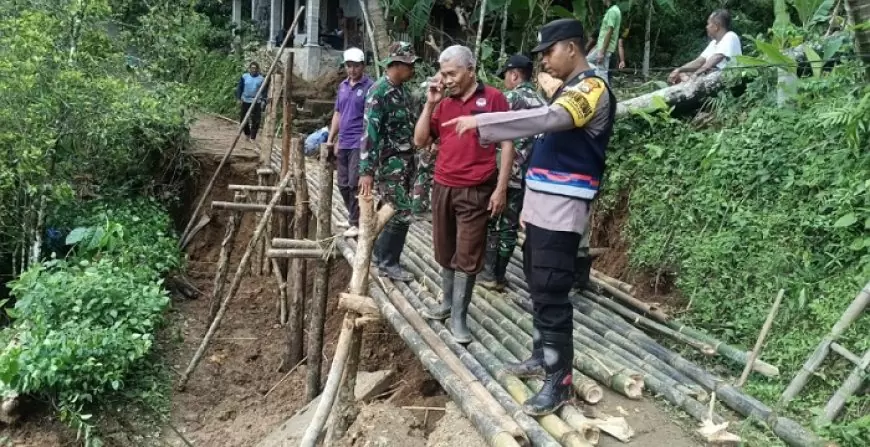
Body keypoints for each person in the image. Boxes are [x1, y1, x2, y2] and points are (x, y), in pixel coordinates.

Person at [439, 18, 617, 415]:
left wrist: (483, 121)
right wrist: (529, 203)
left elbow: (551, 120)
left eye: (549, 53)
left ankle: (561, 381)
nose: (545, 63)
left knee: (553, 289)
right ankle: (542, 357)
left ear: (571, 48)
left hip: (564, 206)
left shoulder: (592, 88)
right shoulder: (568, 88)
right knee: (537, 282)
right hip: (541, 203)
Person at [414, 45, 514, 344]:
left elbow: (507, 144)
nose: (447, 80)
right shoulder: (443, 104)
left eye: (452, 73)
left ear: (471, 69)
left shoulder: (494, 98)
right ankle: (446, 303)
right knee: (445, 250)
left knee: (468, 254)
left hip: (477, 188)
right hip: (443, 185)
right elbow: (420, 140)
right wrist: (430, 103)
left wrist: (501, 188)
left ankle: (459, 317)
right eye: (443, 74)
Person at [479, 55, 547, 292]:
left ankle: (488, 273)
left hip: (504, 173)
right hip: (528, 176)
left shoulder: (510, 98)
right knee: (509, 226)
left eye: (506, 76)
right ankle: (500, 275)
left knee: (491, 221)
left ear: (515, 75)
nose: (505, 81)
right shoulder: (542, 101)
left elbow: (489, 130)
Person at [358, 42, 420, 281]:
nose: (412, 70)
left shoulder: (402, 91)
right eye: (409, 65)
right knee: (401, 210)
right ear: (396, 65)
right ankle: (388, 262)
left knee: (391, 208)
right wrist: (366, 170)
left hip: (405, 161)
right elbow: (369, 133)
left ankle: (380, 254)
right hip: (389, 162)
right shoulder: (379, 92)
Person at [328, 48, 373, 237]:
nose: (352, 70)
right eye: (349, 66)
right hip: (344, 141)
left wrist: (368, 143)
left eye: (356, 66)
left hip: (359, 142)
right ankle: (352, 217)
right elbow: (338, 113)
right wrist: (332, 139)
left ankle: (356, 222)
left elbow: (372, 117)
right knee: (343, 183)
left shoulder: (370, 87)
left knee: (355, 182)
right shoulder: (343, 86)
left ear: (363, 66)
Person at [668, 9, 741, 84]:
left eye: (708, 24)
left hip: (727, 79)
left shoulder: (730, 36)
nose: (706, 27)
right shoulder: (713, 43)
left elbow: (716, 58)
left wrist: (695, 75)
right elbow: (699, 61)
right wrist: (679, 70)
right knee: (682, 74)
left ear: (716, 26)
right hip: (712, 77)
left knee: (691, 76)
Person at [587, 0, 621, 81]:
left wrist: (602, 51)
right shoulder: (615, 10)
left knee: (602, 74)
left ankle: (605, 91)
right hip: (603, 47)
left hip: (605, 48)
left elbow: (609, 31)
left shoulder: (612, 11)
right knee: (587, 62)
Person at [236, 62, 266, 144]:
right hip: (246, 100)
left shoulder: (261, 79)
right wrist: (239, 98)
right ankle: (247, 134)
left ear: (257, 69)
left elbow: (264, 91)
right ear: (249, 69)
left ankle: (253, 137)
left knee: (256, 120)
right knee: (243, 119)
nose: (254, 70)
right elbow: (240, 88)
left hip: (256, 101)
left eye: (255, 68)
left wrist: (264, 100)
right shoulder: (244, 77)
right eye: (252, 68)